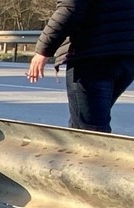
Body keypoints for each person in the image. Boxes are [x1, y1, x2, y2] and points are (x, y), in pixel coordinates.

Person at [27, 0, 134, 133]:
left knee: (89, 131)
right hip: (126, 55)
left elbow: (70, 8)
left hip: (93, 57)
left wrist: (43, 50)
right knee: (92, 122)